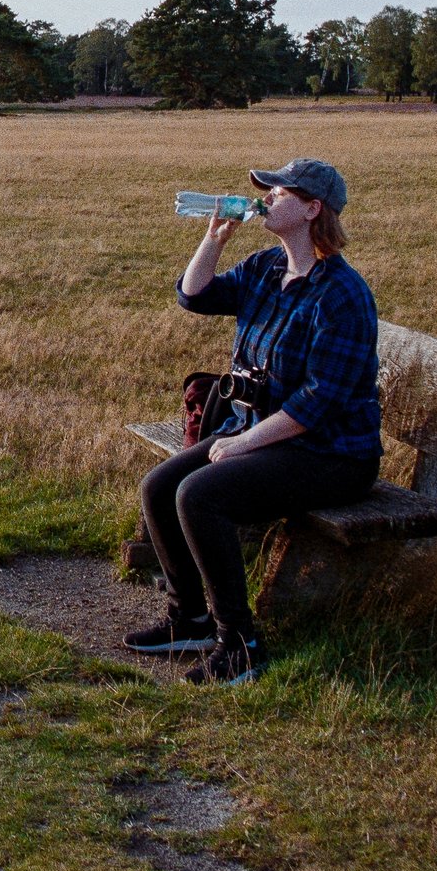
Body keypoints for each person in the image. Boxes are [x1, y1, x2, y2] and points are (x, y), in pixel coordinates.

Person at [126, 157, 381, 685]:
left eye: (278, 191)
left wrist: (242, 444)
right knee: (160, 486)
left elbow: (319, 403)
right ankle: (189, 617)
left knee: (200, 495)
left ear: (312, 210)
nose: (266, 197)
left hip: (331, 453)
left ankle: (240, 643)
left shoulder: (343, 295)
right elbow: (193, 296)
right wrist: (214, 240)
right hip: (264, 430)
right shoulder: (267, 267)